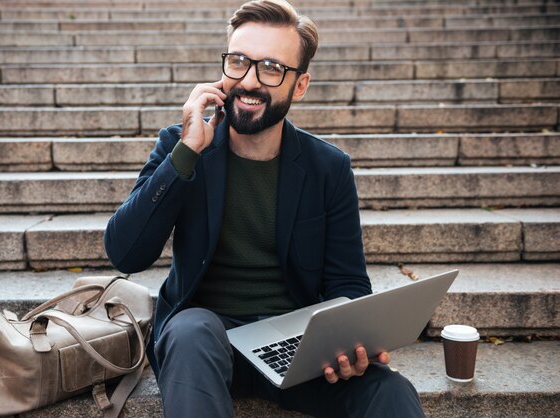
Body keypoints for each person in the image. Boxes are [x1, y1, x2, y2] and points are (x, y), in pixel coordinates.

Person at [104, 0, 426, 416]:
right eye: (238, 62)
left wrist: (351, 342)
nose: (249, 81)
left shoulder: (328, 167)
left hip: (299, 352)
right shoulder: (181, 147)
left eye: (271, 68)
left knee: (392, 391)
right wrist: (186, 153)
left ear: (301, 85)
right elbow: (125, 253)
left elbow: (348, 284)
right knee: (191, 329)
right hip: (202, 344)